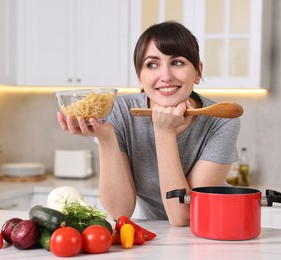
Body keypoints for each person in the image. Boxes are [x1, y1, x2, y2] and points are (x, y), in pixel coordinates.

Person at [57, 21, 240, 227]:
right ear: (140, 78)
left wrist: (164, 132)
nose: (166, 76)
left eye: (177, 62)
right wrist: (106, 138)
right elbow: (120, 212)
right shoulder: (119, 111)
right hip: (159, 234)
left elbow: (184, 216)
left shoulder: (220, 120)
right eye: (152, 64)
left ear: (198, 71)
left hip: (215, 229)